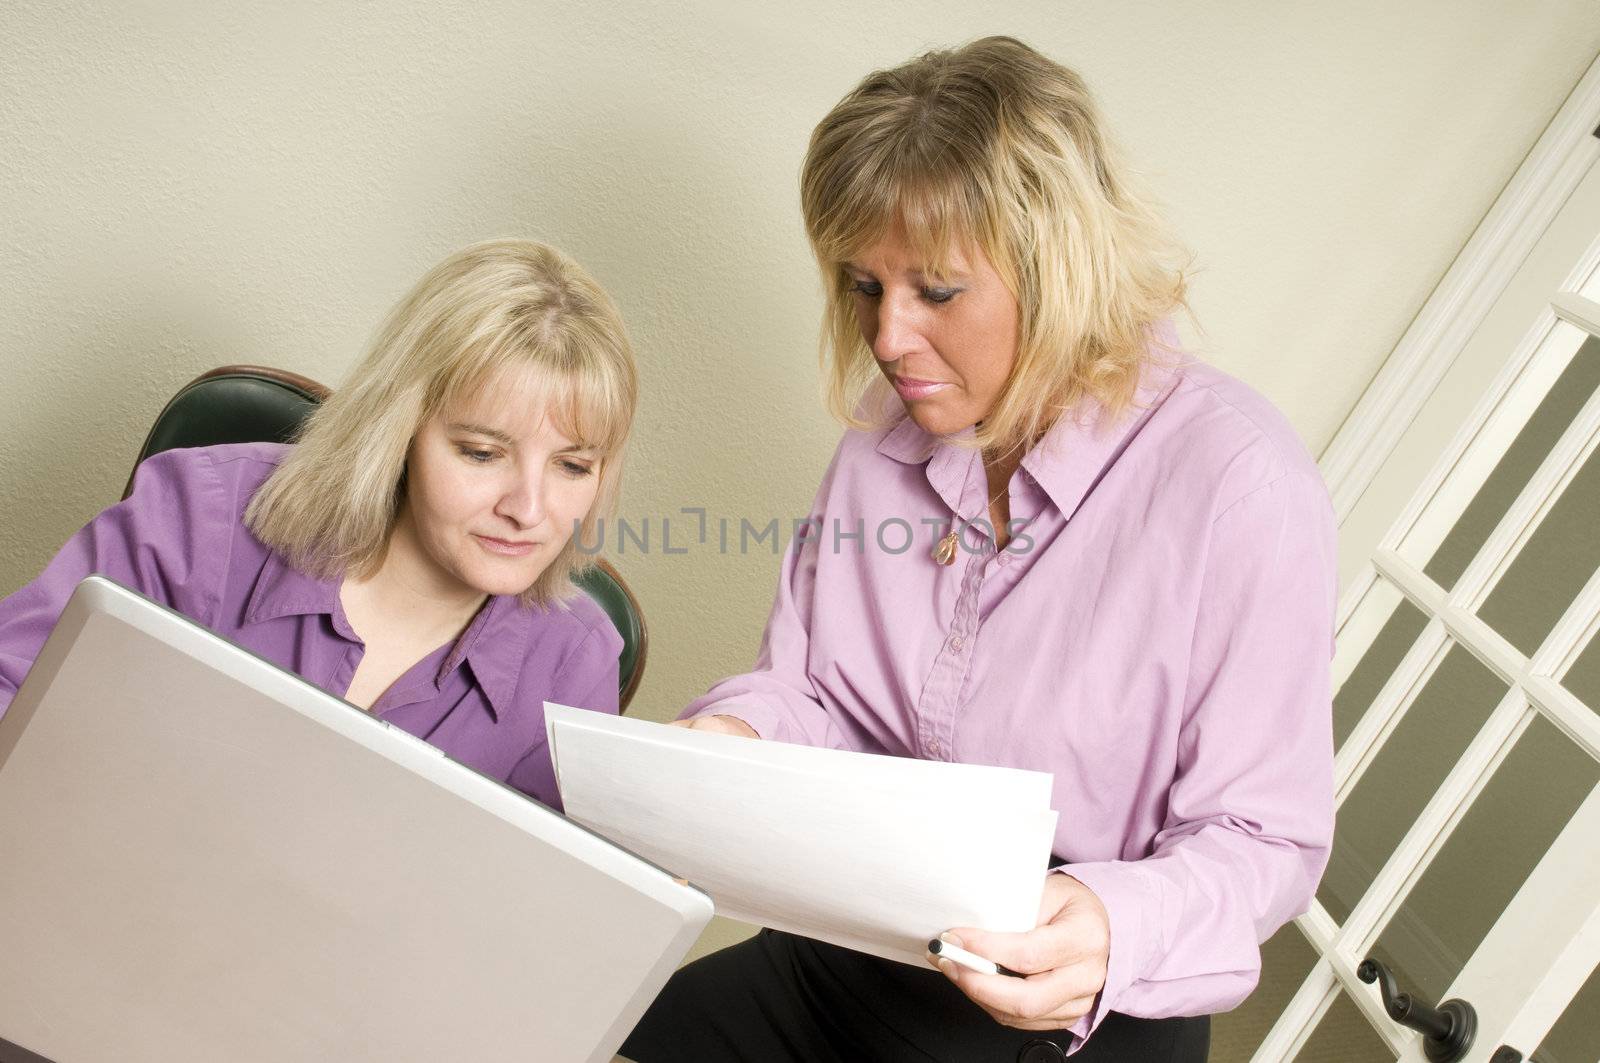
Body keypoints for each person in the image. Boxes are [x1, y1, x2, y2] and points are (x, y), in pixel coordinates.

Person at [621, 36, 1335, 1063]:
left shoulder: (1239, 486)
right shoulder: (886, 430)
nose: (887, 336)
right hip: (852, 954)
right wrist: (734, 738)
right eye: (863, 285)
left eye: (936, 291)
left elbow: (1264, 840)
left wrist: (1102, 917)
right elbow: (812, 693)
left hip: (1069, 1019)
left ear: (1060, 269)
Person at [0, 238, 637, 809]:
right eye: (481, 453)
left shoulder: (573, 662)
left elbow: (535, 916)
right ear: (401, 429)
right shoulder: (204, 512)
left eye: (573, 466)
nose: (528, 509)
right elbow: (15, 693)